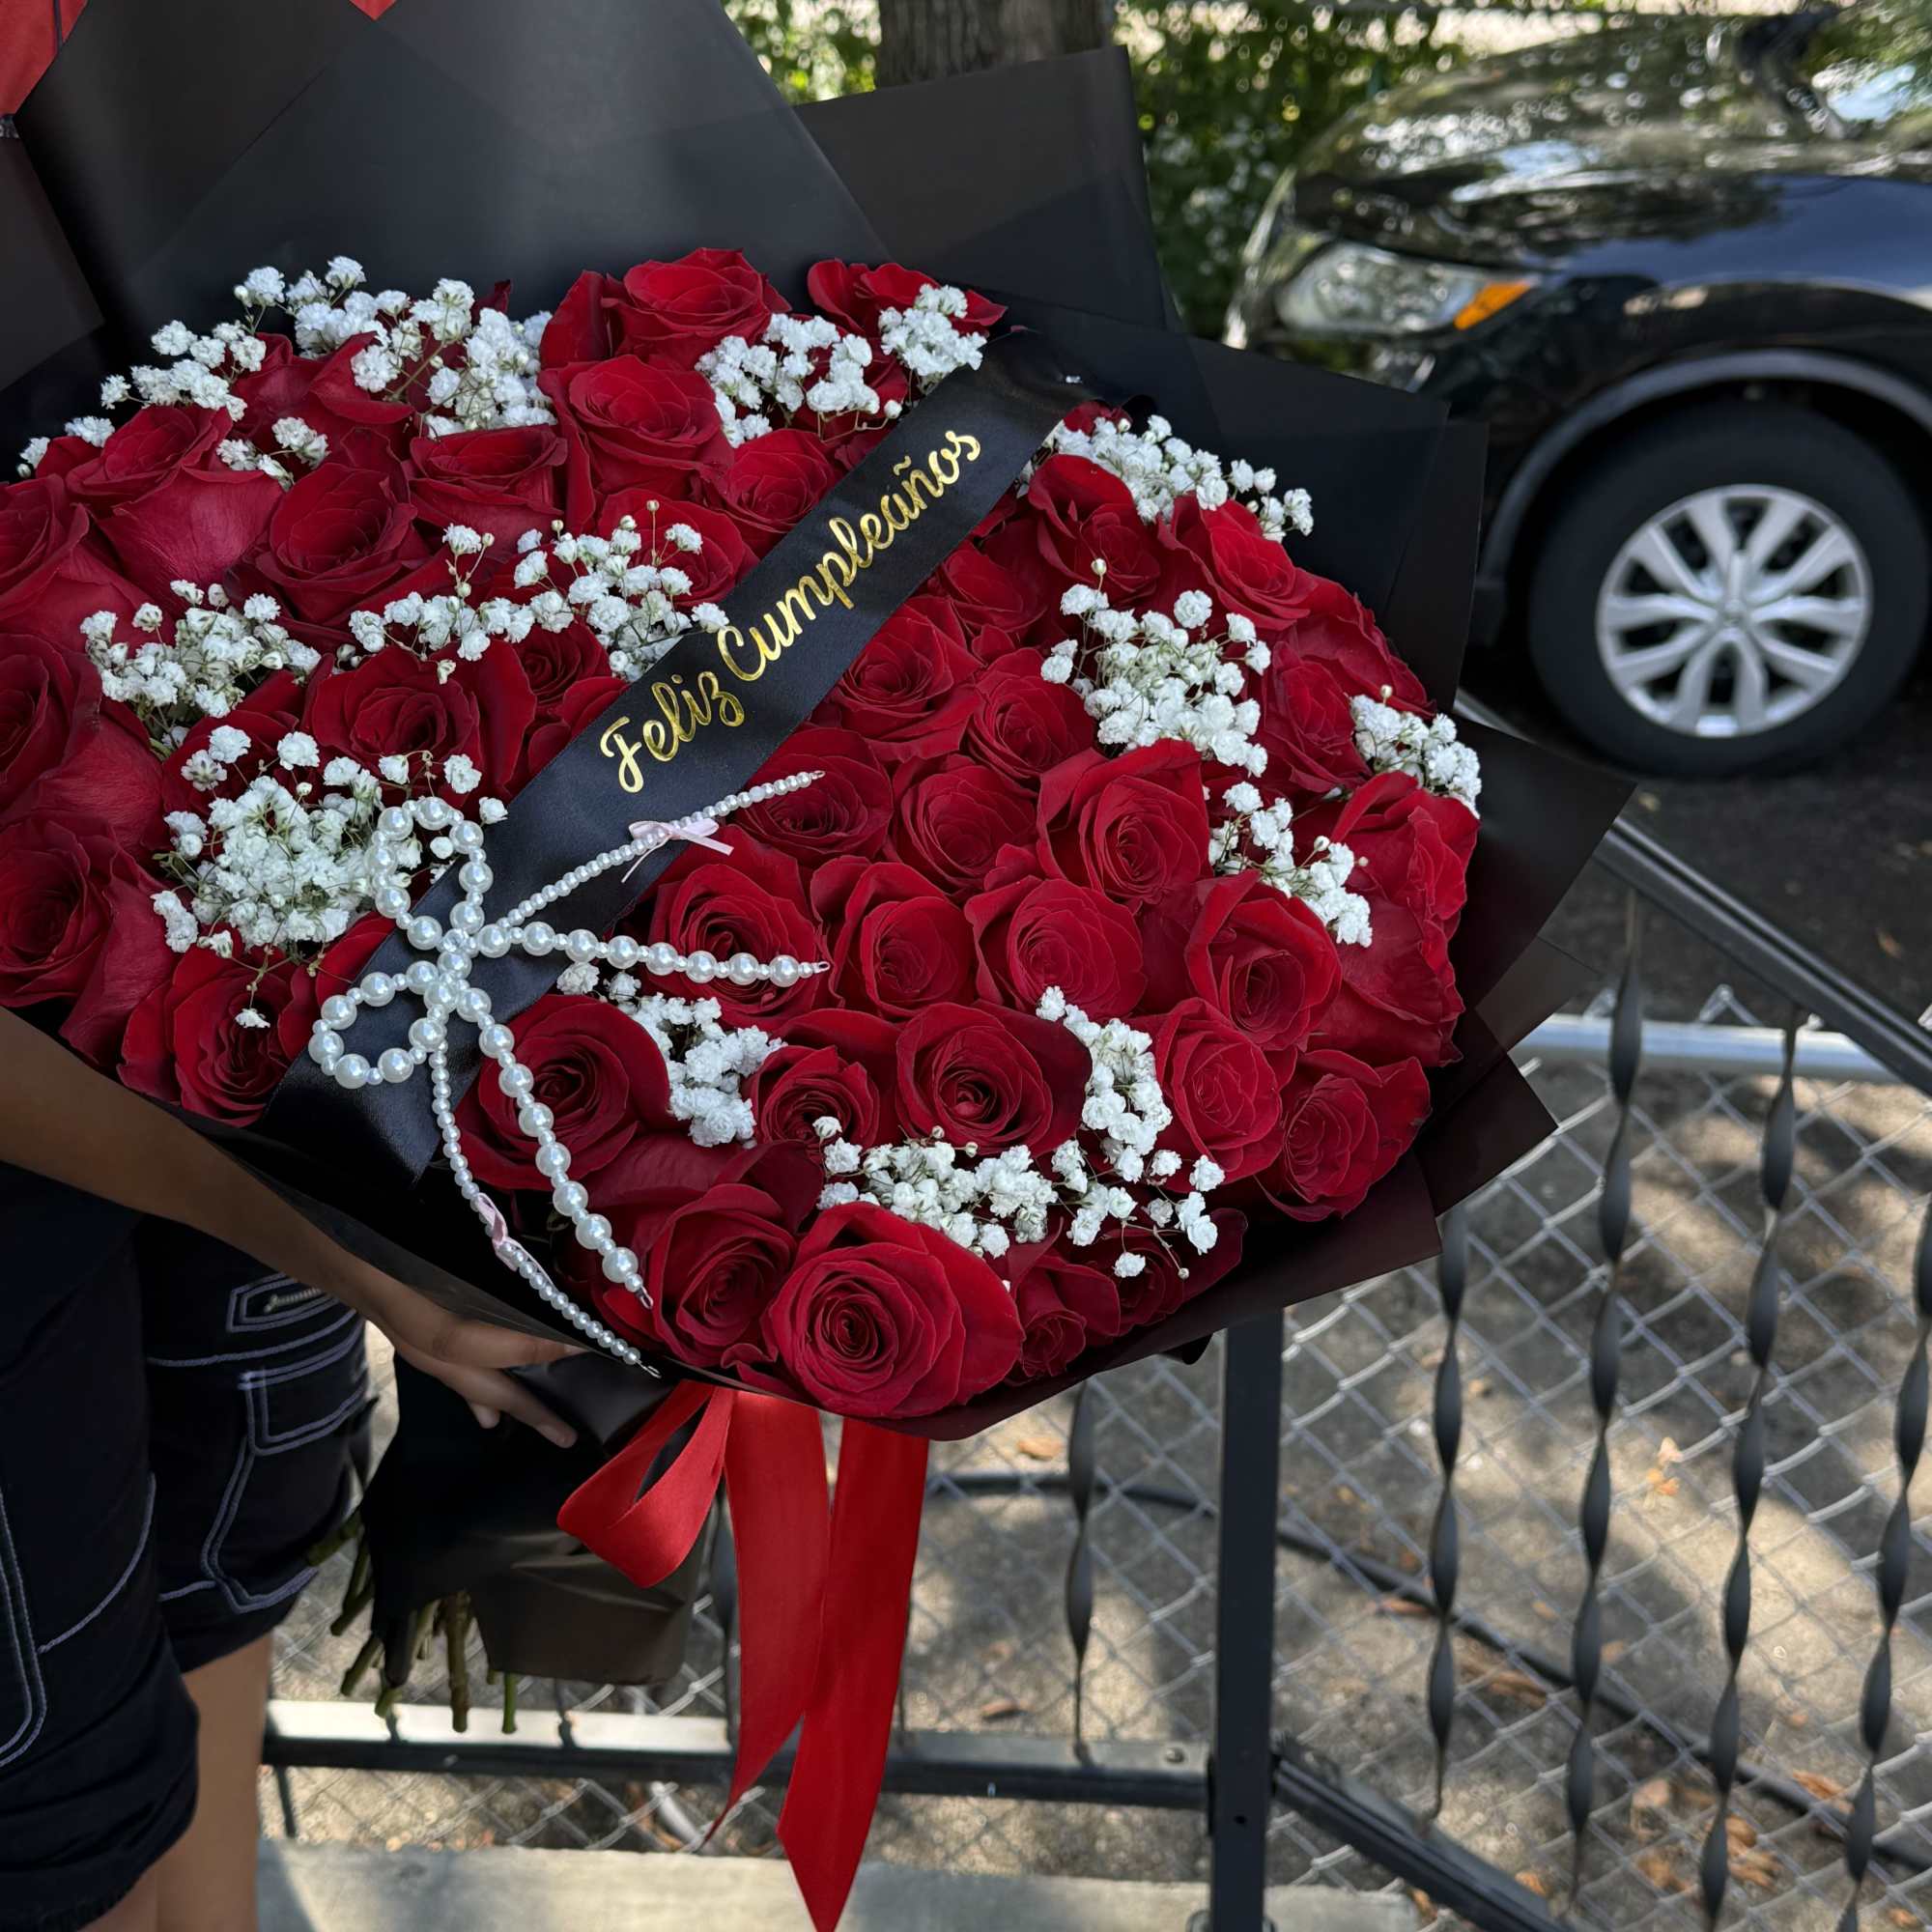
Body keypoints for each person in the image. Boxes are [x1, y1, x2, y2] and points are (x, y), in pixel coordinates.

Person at [0, 1007, 582, 1932]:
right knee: (61, 1811)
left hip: (262, 1025)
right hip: (106, 1175)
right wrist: (332, 1246)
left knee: (227, 1572)